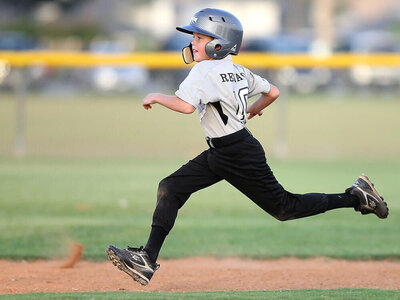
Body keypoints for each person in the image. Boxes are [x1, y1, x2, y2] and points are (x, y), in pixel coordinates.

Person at [106, 8, 388, 286]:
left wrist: (156, 96)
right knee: (171, 187)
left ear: (219, 43)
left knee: (285, 208)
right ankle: (146, 258)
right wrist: (253, 109)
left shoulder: (203, 71)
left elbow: (186, 107)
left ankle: (357, 197)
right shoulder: (237, 69)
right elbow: (273, 92)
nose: (193, 41)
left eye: (199, 37)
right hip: (228, 150)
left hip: (237, 154)